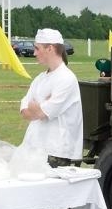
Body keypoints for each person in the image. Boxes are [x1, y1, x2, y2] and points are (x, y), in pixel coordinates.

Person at [19, 28, 83, 168]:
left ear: (50, 48)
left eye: (37, 48)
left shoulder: (66, 78)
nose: (34, 52)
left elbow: (44, 113)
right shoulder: (40, 79)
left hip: (59, 154)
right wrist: (40, 105)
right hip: (36, 150)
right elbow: (25, 110)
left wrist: (37, 107)